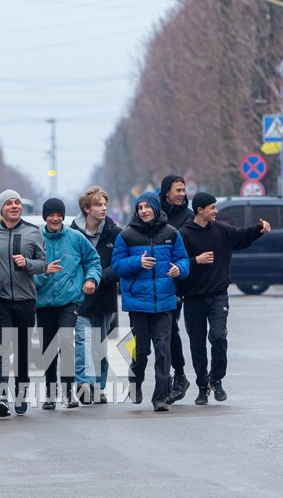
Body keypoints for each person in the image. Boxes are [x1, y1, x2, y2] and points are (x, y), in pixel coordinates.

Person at [179, 191, 270, 405]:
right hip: (193, 297)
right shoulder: (183, 235)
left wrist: (260, 229)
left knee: (219, 337)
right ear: (200, 210)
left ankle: (217, 379)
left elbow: (242, 236)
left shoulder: (222, 230)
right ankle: (202, 386)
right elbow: (177, 263)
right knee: (197, 343)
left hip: (218, 295)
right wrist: (196, 261)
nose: (216, 211)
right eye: (212, 208)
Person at [112, 193, 190, 412]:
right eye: (140, 207)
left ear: (156, 208)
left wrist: (180, 269)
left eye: (147, 207)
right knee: (142, 350)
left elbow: (183, 259)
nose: (144, 211)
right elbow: (117, 266)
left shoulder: (171, 234)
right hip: (138, 303)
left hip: (165, 302)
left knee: (163, 349)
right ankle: (135, 381)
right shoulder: (127, 235)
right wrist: (138, 262)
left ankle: (160, 397)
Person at [0, 189, 47, 417]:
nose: (14, 206)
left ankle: (22, 394)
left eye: (17, 202)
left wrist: (27, 263)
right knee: (0, 348)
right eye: (9, 203)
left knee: (23, 350)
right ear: (1, 207)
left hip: (26, 299)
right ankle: (1, 397)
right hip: (0, 300)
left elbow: (43, 264)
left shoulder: (33, 232)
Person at [35, 197, 100, 409]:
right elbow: (27, 268)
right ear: (45, 217)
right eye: (51, 215)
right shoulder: (35, 238)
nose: (55, 219)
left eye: (59, 215)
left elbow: (93, 260)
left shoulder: (75, 238)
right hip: (43, 301)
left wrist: (91, 279)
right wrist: (43, 273)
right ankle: (50, 392)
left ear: (63, 216)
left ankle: (68, 392)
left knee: (65, 342)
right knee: (48, 348)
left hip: (69, 301)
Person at [69, 185, 122, 404]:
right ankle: (84, 384)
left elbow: (118, 264)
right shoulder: (72, 234)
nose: (103, 209)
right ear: (86, 208)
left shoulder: (115, 233)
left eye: (104, 205)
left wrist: (97, 278)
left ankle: (99, 387)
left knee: (99, 345)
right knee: (82, 341)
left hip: (104, 297)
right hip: (79, 297)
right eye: (98, 205)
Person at [159, 174, 194, 403]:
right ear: (166, 194)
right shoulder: (152, 214)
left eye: (183, 190)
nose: (182, 194)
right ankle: (145, 374)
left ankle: (178, 375)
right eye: (177, 190)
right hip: (151, 284)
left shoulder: (188, 217)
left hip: (178, 283)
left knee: (170, 329)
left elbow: (189, 251)